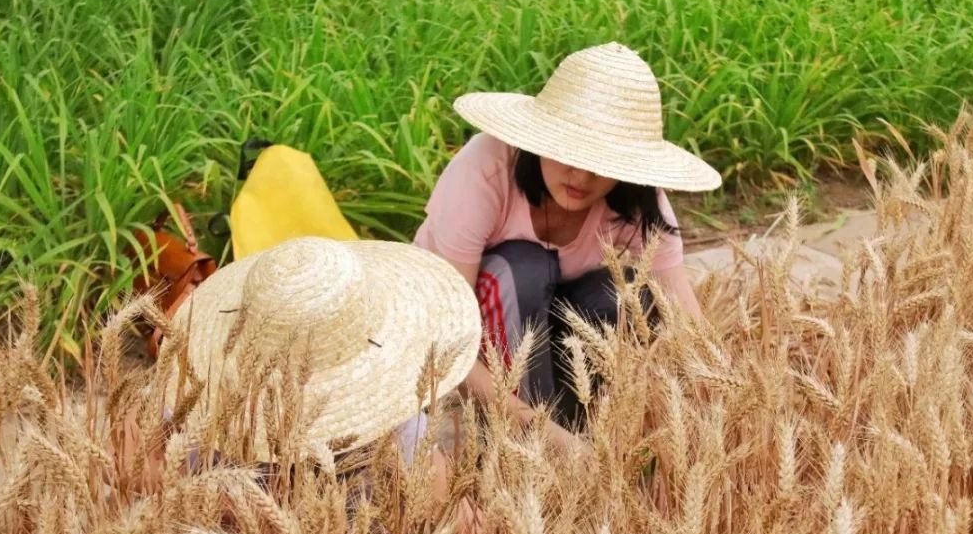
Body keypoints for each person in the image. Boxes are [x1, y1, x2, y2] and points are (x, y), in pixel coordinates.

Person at [413, 42, 722, 447]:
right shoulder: (484, 169)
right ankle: (531, 441)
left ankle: (573, 429)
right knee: (520, 268)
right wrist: (540, 432)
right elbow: (447, 336)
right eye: (568, 152)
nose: (581, 176)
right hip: (465, 335)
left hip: (557, 329)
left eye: (602, 161)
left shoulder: (640, 200)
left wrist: (722, 409)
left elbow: (685, 319)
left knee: (623, 292)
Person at [125, 236, 483, 507]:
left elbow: (129, 456)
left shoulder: (204, 401)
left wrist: (205, 498)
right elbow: (460, 522)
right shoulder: (402, 433)